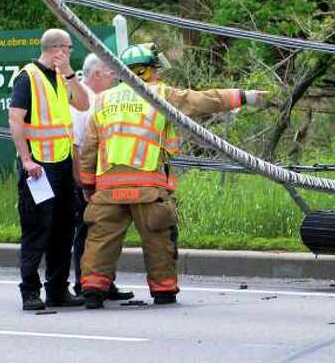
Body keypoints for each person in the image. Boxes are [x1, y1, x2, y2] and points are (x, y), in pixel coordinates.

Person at [78, 43, 266, 308]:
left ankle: (93, 292)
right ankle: (164, 291)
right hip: (148, 188)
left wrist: (87, 184)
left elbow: (89, 147)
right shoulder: (160, 94)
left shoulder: (103, 100)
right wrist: (244, 96)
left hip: (108, 190)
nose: (158, 74)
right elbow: (204, 101)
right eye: (155, 69)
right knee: (158, 240)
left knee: (100, 242)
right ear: (144, 71)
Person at [7, 28, 91, 311]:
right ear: (57, 49)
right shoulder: (27, 77)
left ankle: (57, 289)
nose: (69, 53)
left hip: (64, 164)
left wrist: (69, 74)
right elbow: (16, 120)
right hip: (38, 168)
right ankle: (30, 291)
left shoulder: (61, 77)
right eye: (68, 48)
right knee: (36, 229)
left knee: (63, 229)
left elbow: (83, 103)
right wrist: (26, 159)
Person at [70, 53, 133, 302]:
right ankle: (83, 284)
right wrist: (82, 182)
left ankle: (105, 283)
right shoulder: (81, 102)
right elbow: (76, 145)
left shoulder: (103, 100)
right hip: (85, 178)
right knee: (86, 232)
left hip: (103, 177)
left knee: (104, 232)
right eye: (111, 73)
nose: (115, 78)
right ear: (96, 74)